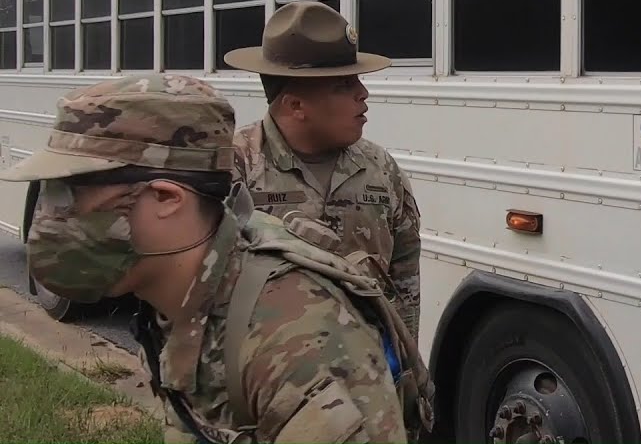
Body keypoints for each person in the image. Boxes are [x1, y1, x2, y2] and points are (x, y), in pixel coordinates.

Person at [4, 74, 410, 443]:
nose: (48, 213)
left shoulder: (296, 342)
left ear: (167, 199)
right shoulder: (185, 299)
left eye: (71, 192)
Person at [224, 1, 423, 340]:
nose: (364, 93)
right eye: (343, 85)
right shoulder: (233, 169)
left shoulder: (380, 169)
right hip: (270, 380)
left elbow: (404, 284)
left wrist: (406, 374)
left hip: (368, 379)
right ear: (296, 105)